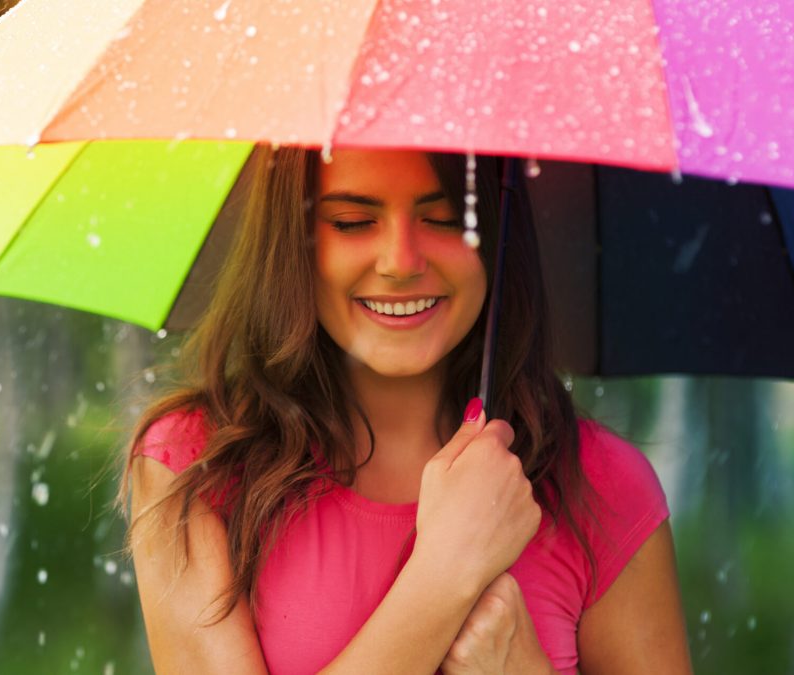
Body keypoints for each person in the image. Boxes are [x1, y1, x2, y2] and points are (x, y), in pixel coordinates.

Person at [118, 147, 692, 674]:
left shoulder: (604, 488)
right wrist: (445, 575)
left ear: (497, 232)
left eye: (444, 220)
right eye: (351, 221)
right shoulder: (193, 468)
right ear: (293, 238)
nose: (399, 261)